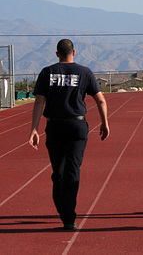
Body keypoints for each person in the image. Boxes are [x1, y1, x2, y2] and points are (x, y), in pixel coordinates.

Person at [28, 39, 109, 230]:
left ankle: (66, 212)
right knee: (72, 170)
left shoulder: (47, 72)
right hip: (77, 125)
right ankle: (68, 215)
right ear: (74, 52)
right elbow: (101, 100)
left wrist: (34, 128)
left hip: (54, 127)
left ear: (57, 54)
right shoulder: (85, 72)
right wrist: (105, 122)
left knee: (59, 172)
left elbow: (39, 101)